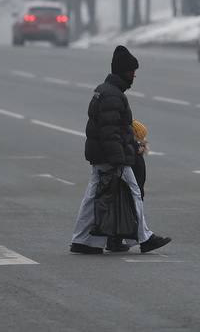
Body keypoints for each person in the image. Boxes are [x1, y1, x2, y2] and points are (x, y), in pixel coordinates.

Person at [69, 45, 172, 255]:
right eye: (132, 71)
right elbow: (109, 132)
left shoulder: (107, 91)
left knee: (93, 197)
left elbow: (115, 129)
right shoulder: (113, 96)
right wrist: (120, 159)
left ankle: (82, 240)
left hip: (102, 155)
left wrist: (131, 145)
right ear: (124, 72)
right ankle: (145, 238)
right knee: (133, 192)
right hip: (111, 157)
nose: (134, 75)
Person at [106, 120, 148, 253]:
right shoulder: (134, 154)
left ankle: (116, 239)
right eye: (141, 138)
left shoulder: (134, 152)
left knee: (124, 210)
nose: (144, 142)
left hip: (134, 187)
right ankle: (116, 240)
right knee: (126, 209)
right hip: (130, 188)